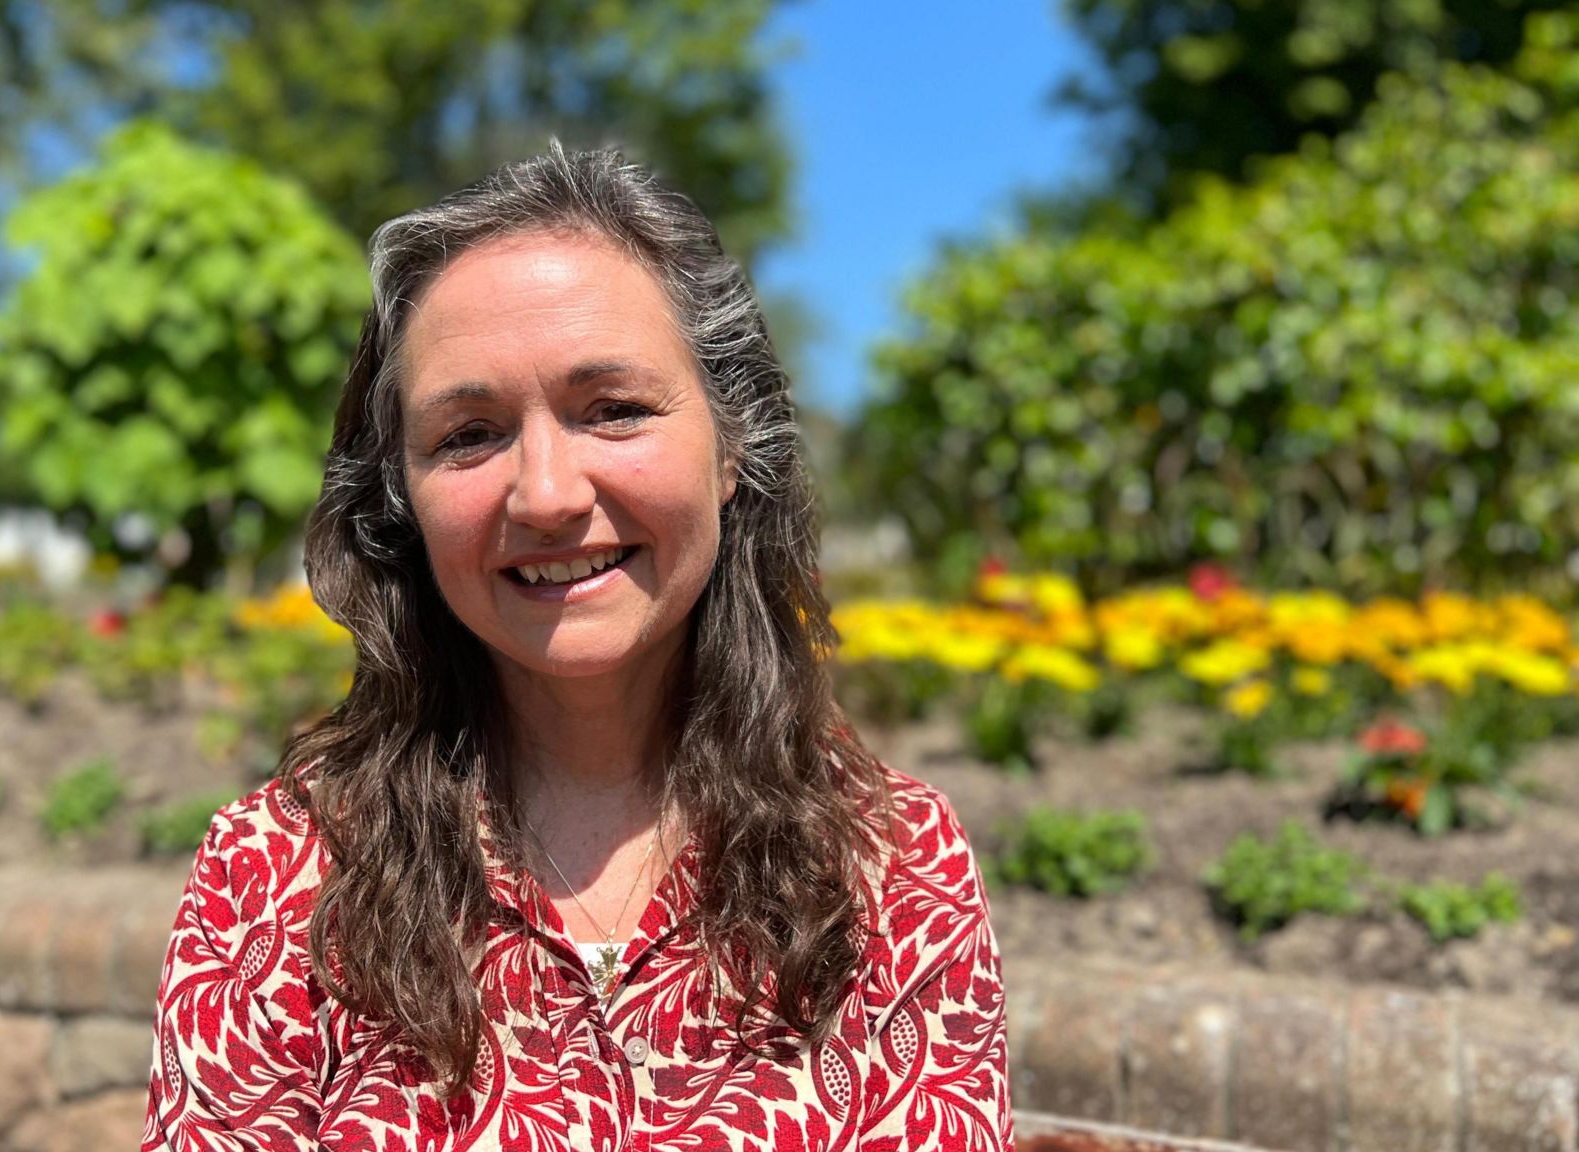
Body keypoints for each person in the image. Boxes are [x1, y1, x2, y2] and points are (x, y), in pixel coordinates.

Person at [143, 144, 1015, 1151]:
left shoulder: (891, 866)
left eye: (613, 410)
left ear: (731, 447)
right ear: (401, 502)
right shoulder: (272, 877)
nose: (546, 493)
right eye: (468, 434)